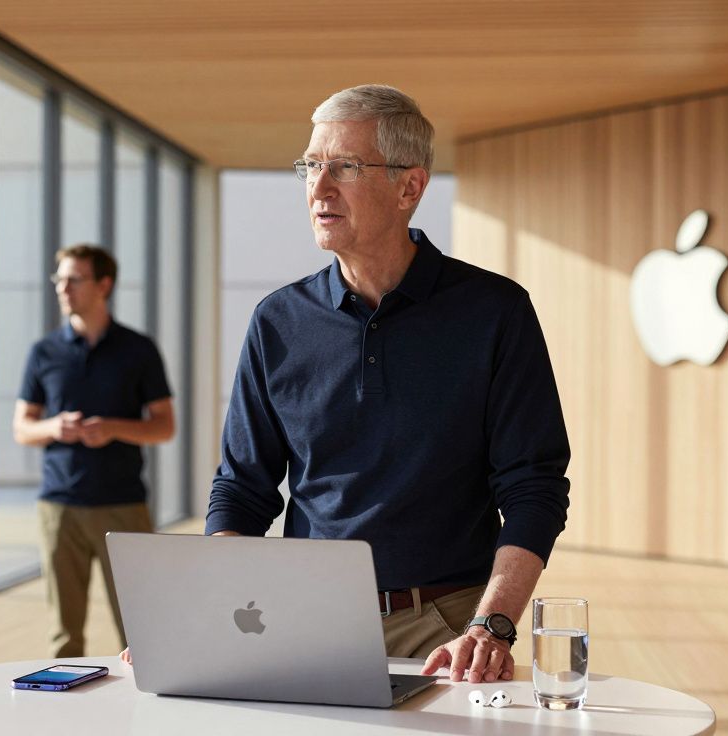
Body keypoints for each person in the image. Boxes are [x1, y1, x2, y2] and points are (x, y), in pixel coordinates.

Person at [199, 85, 571, 684]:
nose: (319, 188)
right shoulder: (277, 321)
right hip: (303, 619)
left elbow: (534, 486)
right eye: (311, 166)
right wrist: (205, 609)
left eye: (345, 167)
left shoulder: (495, 312)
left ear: (409, 188)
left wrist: (492, 624)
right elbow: (242, 489)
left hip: (448, 628)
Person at [13, 244, 175, 658]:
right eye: (59, 279)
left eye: (74, 279)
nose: (62, 288)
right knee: (63, 637)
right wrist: (55, 427)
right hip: (58, 509)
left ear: (104, 285)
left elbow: (164, 425)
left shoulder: (138, 349)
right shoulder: (43, 352)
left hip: (123, 506)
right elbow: (22, 428)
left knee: (141, 630)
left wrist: (113, 429)